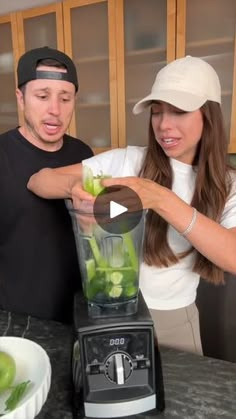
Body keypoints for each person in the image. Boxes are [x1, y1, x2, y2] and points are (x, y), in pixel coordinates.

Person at [27, 56, 236, 353]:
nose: (164, 125)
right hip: (110, 309)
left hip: (175, 321)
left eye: (178, 111)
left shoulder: (228, 185)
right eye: (157, 112)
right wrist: (74, 187)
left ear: (208, 116)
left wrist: (159, 198)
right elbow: (39, 180)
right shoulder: (128, 161)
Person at [0, 46, 93, 323]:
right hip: (13, 317)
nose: (55, 110)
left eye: (65, 98)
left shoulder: (84, 155)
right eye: (42, 96)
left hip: (78, 312)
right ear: (21, 98)